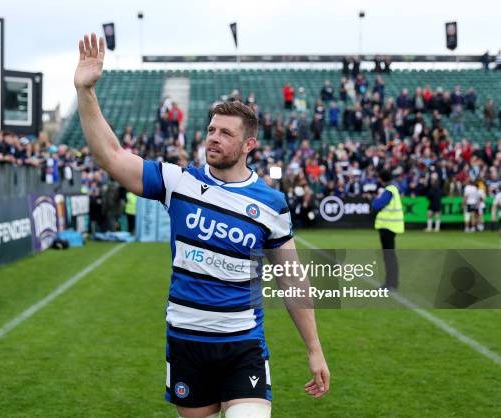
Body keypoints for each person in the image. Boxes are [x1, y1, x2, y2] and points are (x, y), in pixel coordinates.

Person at [74, 33, 330, 418]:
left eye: (226, 133)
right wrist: (86, 92)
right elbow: (111, 156)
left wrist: (314, 349)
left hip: (242, 343)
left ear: (249, 145)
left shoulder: (272, 205)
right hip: (186, 342)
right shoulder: (179, 182)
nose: (214, 138)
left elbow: (292, 280)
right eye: (212, 129)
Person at [372, 170, 404, 290]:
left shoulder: (389, 190)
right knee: (389, 255)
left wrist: (376, 198)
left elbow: (377, 205)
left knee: (389, 256)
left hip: (388, 227)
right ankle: (391, 283)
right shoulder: (393, 189)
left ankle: (391, 283)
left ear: (381, 178)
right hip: (390, 227)